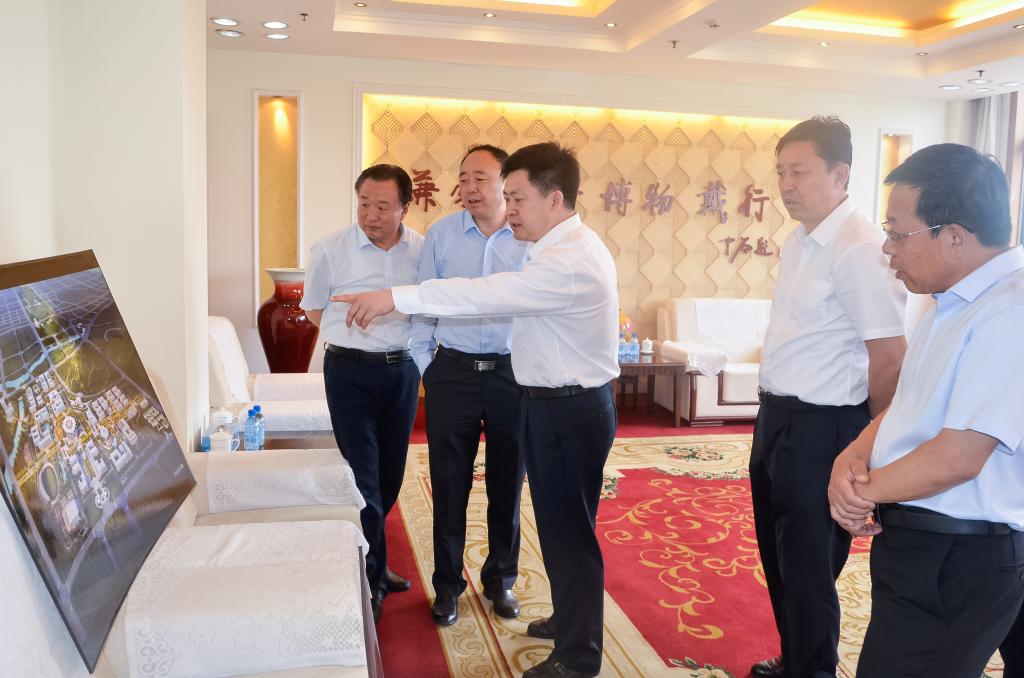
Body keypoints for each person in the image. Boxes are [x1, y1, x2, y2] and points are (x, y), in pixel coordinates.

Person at [334, 142, 618, 678]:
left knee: (570, 532)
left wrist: (397, 297)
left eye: (518, 197)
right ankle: (568, 620)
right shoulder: (555, 248)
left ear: (554, 198)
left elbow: (485, 294)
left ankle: (578, 656)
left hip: (570, 409)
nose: (510, 209)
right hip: (548, 401)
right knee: (557, 527)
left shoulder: (568, 261)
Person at [827, 143, 1024, 678]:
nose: (887, 248)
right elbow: (909, 407)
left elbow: (960, 456)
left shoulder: (1008, 311)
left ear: (954, 236)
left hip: (959, 557)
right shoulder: (951, 302)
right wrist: (853, 455)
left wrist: (861, 492)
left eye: (897, 233)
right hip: (925, 541)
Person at [750, 116, 907, 678]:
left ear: (840, 174)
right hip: (777, 417)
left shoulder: (859, 248)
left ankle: (812, 670)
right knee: (779, 556)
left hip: (824, 428)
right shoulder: (800, 240)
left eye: (800, 172)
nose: (786, 185)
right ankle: (798, 658)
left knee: (809, 568)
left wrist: (873, 447)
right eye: (780, 172)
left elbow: (889, 356)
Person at [300, 164, 424, 624]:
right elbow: (314, 310)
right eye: (364, 204)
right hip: (349, 373)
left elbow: (428, 303)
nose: (371, 215)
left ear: (405, 208)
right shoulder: (330, 249)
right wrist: (353, 339)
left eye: (383, 206)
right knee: (364, 479)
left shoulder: (423, 251)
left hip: (403, 372)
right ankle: (371, 579)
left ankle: (376, 558)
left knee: (390, 476)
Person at [411, 144, 528, 626]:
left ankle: (501, 579)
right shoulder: (441, 235)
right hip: (453, 373)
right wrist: (428, 367)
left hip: (511, 375)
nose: (469, 187)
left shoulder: (528, 238)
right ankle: (447, 586)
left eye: (480, 177)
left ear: (506, 182)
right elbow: (423, 304)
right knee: (448, 483)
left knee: (508, 483)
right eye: (463, 178)